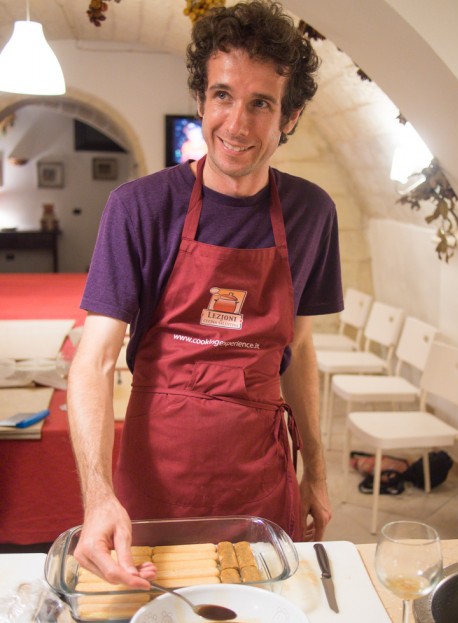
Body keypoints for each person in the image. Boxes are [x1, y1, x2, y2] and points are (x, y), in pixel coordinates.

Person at [67, 0, 343, 588]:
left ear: (289, 117)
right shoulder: (139, 207)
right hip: (159, 470)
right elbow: (93, 360)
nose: (237, 124)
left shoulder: (311, 213)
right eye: (222, 96)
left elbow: (300, 351)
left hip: (259, 480)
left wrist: (315, 470)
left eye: (261, 103)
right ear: (200, 100)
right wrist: (97, 495)